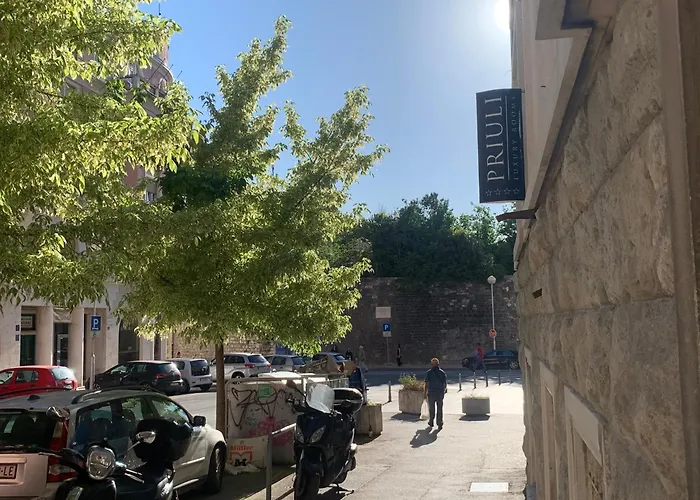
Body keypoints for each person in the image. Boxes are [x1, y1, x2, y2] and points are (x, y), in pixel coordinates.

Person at [424, 358, 447, 429]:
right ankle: (439, 422)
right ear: (438, 364)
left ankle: (431, 421)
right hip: (440, 393)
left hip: (431, 393)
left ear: (431, 364)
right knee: (439, 408)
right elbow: (445, 383)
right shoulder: (442, 372)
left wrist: (425, 392)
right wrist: (444, 391)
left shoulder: (429, 372)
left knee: (431, 408)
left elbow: (426, 383)